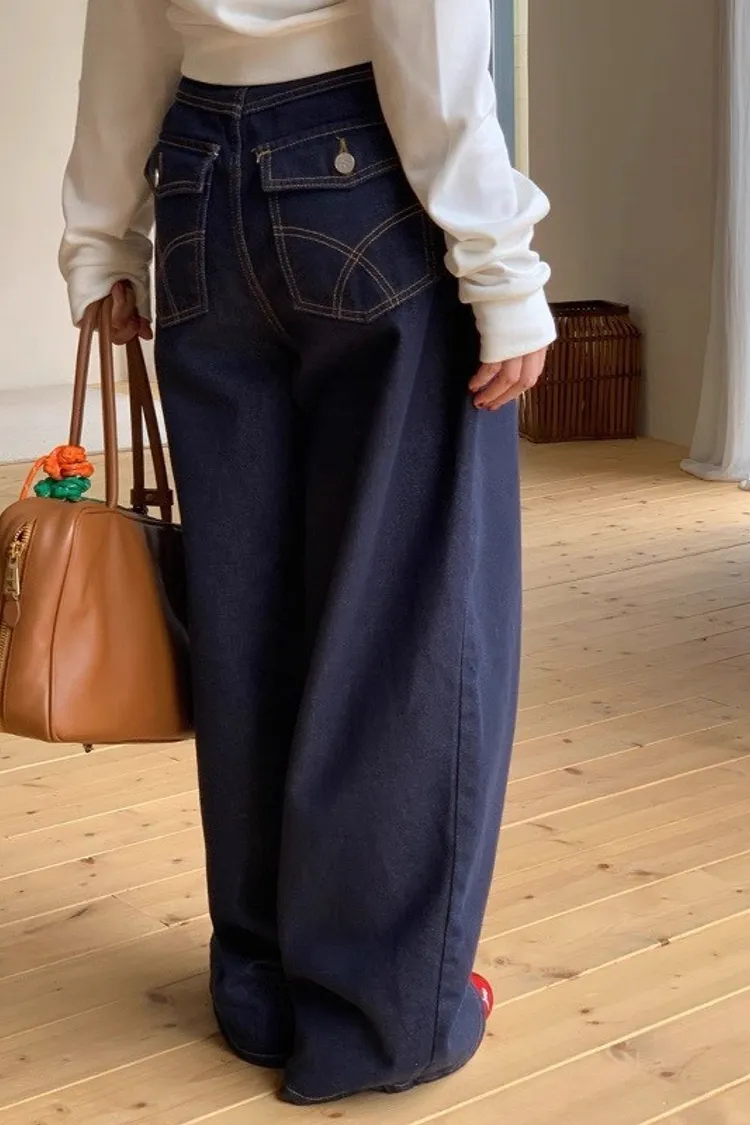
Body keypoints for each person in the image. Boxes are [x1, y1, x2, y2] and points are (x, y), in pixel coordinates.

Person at [60, 0, 555, 1106]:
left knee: (246, 610)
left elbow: (127, 21)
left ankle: (263, 991)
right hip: (363, 170)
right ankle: (380, 1019)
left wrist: (101, 237)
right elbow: (428, 29)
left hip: (199, 178)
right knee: (408, 616)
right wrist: (502, 266)